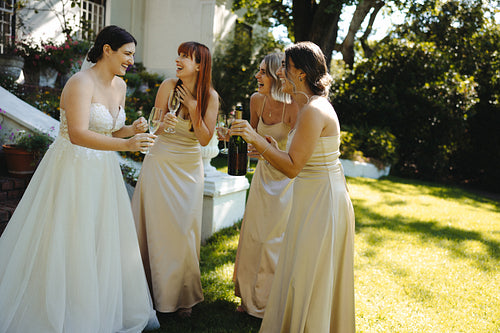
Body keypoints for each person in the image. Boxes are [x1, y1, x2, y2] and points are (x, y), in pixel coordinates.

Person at [0, 25, 159, 332]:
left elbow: (109, 131)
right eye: (127, 54)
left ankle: (95, 310)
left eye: (133, 56)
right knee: (68, 239)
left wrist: (131, 130)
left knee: (99, 239)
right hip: (72, 169)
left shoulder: (120, 88)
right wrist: (126, 145)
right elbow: (78, 134)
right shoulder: (80, 82)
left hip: (102, 174)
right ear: (107, 50)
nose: (131, 61)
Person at [230, 41, 355, 333]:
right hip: (313, 198)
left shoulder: (314, 110)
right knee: (302, 272)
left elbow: (292, 167)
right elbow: (294, 158)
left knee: (310, 274)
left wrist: (257, 139)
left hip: (322, 203)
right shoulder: (311, 106)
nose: (280, 72)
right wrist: (270, 148)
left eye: (285, 67)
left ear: (299, 72)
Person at [131, 41, 219, 318]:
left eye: (185, 57)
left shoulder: (211, 97)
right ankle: (146, 292)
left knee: (183, 231)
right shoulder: (168, 86)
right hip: (160, 160)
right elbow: (154, 126)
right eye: (178, 55)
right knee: (154, 227)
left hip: (188, 167)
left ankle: (182, 297)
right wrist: (162, 124)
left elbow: (205, 139)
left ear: (200, 65)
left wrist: (193, 108)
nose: (178, 60)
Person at [232, 52, 298, 318]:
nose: (257, 76)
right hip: (262, 177)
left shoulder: (295, 107)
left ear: (276, 76)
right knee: (253, 237)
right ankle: (247, 297)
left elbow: (294, 154)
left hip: (285, 181)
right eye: (258, 71)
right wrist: (239, 142)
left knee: (273, 241)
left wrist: (268, 148)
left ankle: (269, 302)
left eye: (262, 72)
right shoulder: (256, 100)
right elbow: (255, 145)